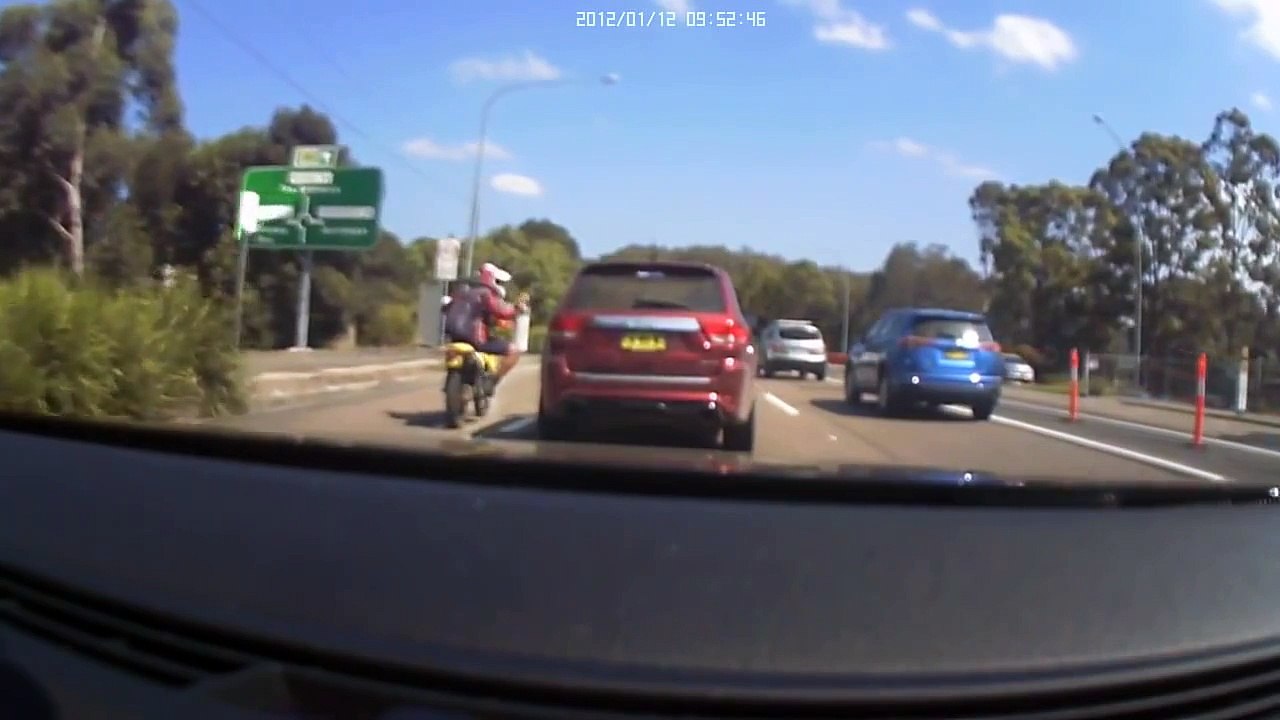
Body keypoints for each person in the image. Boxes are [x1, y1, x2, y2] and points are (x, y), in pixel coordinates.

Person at [442, 262, 528, 388]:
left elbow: (445, 308)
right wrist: (517, 309)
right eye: (498, 281)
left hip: (453, 337)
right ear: (492, 279)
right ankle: (492, 382)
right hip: (475, 339)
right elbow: (501, 311)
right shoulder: (485, 293)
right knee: (514, 351)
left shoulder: (460, 292)